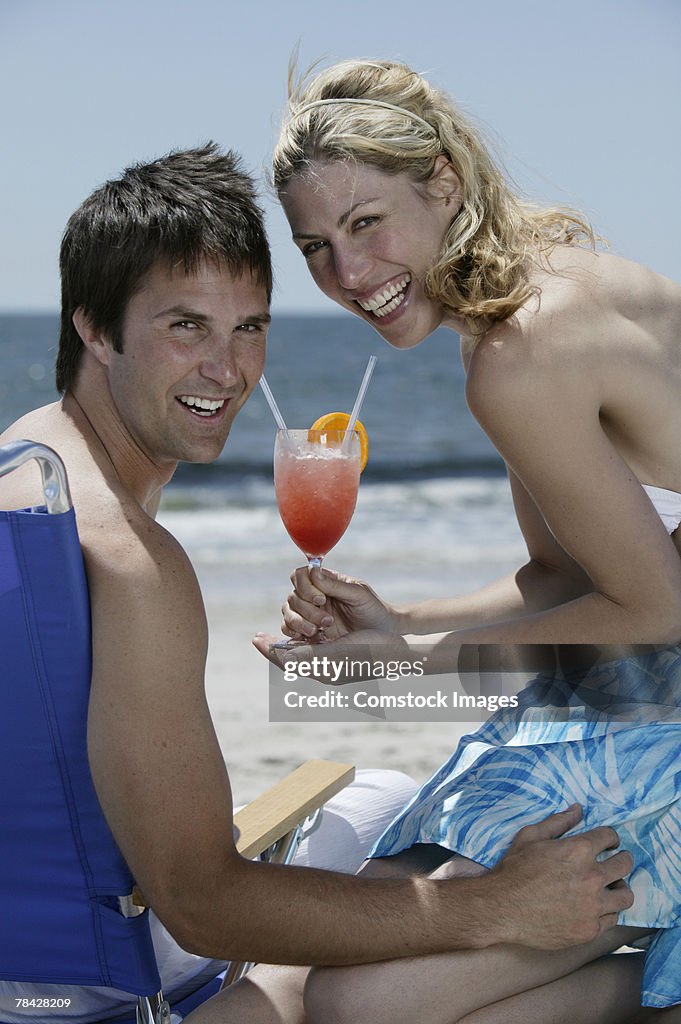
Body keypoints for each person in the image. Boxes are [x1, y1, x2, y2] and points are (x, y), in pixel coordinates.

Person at [0, 143, 634, 1024]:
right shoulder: (135, 566)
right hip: (129, 989)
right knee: (417, 968)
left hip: (34, 950)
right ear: (95, 329)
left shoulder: (21, 470)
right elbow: (203, 905)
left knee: (373, 791)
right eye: (185, 327)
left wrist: (392, 642)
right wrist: (491, 908)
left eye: (250, 328)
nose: (227, 371)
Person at [251, 59, 681, 1021]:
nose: (347, 275)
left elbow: (654, 607)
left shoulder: (521, 351)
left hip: (654, 705)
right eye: (315, 246)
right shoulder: (543, 291)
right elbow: (567, 577)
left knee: (359, 1004)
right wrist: (399, 624)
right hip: (639, 699)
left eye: (366, 224)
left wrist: (405, 669)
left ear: (441, 181)